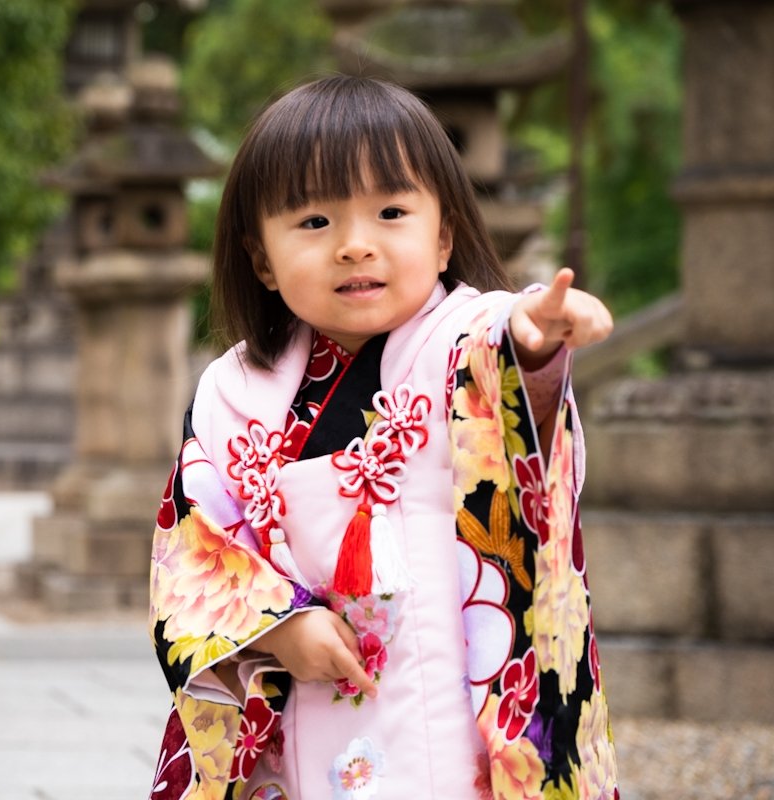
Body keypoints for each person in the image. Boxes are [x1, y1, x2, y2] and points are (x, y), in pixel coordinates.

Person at [147, 75, 619, 800]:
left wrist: (534, 336)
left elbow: (503, 340)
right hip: (299, 715)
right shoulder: (232, 392)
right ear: (261, 258)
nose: (355, 246)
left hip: (458, 720)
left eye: (391, 212)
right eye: (314, 222)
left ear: (443, 237)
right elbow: (194, 545)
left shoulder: (464, 339)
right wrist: (275, 629)